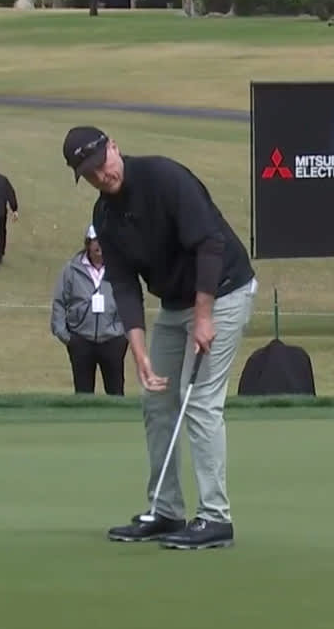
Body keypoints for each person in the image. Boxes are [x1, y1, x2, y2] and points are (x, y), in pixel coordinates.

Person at [62, 124, 258, 551]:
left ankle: (214, 517)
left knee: (200, 398)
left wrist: (204, 317)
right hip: (174, 303)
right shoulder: (105, 216)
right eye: (89, 174)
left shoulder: (164, 178)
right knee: (156, 399)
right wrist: (138, 352)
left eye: (101, 164)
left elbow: (210, 244)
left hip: (222, 290)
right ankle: (166, 509)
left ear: (113, 147)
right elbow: (124, 284)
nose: (101, 176)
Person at [50, 223, 128, 395]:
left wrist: (124, 334)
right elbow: (59, 303)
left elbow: (131, 300)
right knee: (83, 394)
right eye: (95, 241)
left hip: (113, 340)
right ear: (88, 244)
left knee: (115, 392)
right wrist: (65, 335)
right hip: (81, 340)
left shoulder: (121, 269)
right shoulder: (71, 270)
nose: (99, 246)